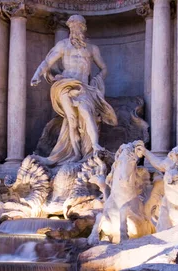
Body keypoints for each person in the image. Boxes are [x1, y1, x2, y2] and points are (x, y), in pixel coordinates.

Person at [31, 15, 117, 166]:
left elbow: (104, 68)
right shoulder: (63, 45)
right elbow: (47, 62)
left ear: (84, 28)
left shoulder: (91, 48)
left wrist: (97, 80)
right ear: (69, 28)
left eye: (79, 26)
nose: (75, 30)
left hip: (83, 86)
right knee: (71, 119)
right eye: (72, 27)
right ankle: (76, 153)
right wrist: (36, 75)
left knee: (85, 111)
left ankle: (95, 146)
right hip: (65, 84)